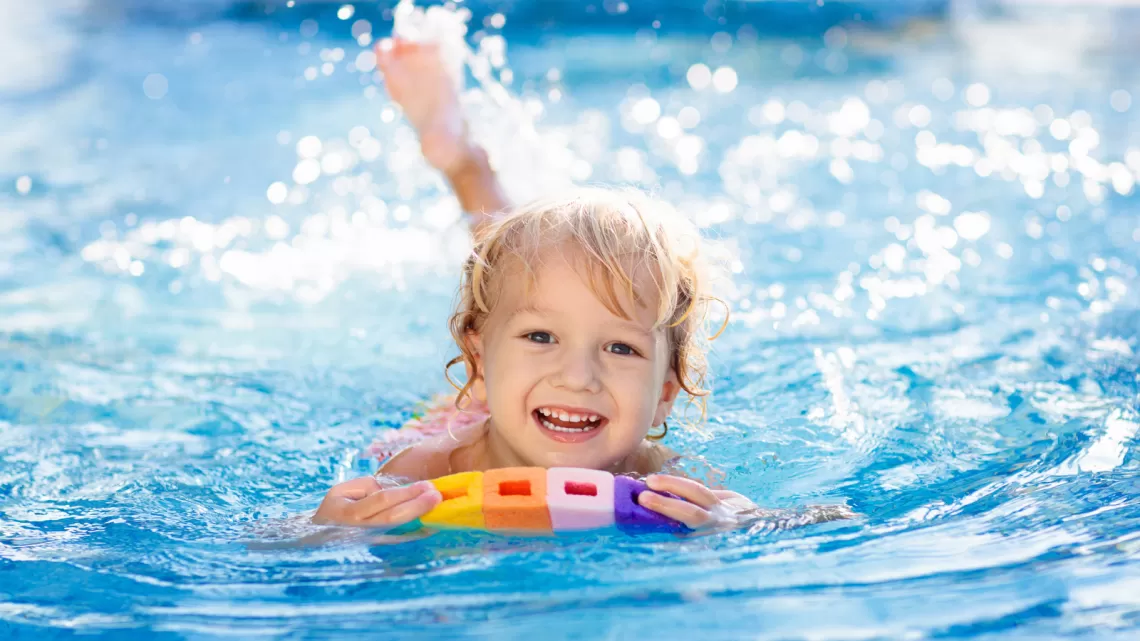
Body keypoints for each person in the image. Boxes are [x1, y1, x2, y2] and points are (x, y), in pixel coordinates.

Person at [312, 38, 849, 534]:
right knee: (507, 269)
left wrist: (741, 520)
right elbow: (271, 547)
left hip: (511, 390)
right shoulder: (423, 467)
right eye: (541, 338)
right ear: (474, 363)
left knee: (524, 285)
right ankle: (463, 160)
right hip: (469, 411)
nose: (578, 378)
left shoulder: (666, 479)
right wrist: (328, 528)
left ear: (665, 392)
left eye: (621, 347)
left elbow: (828, 518)